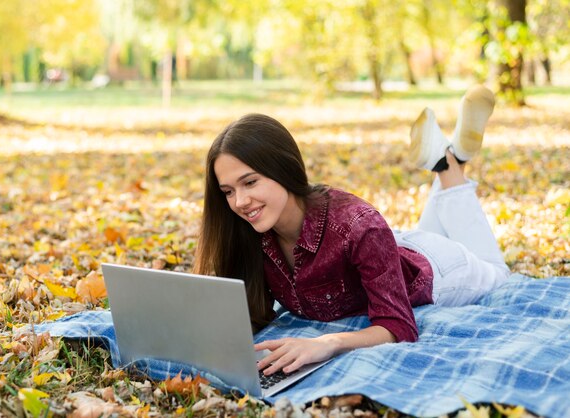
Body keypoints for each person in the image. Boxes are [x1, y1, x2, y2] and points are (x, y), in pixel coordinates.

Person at [194, 85, 510, 377]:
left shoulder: (358, 226)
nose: (240, 201)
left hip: (438, 272)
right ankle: (450, 159)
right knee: (418, 235)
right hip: (392, 248)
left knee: (499, 275)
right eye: (228, 191)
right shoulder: (250, 230)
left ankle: (447, 162)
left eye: (250, 182)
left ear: (284, 169)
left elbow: (399, 326)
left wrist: (328, 343)